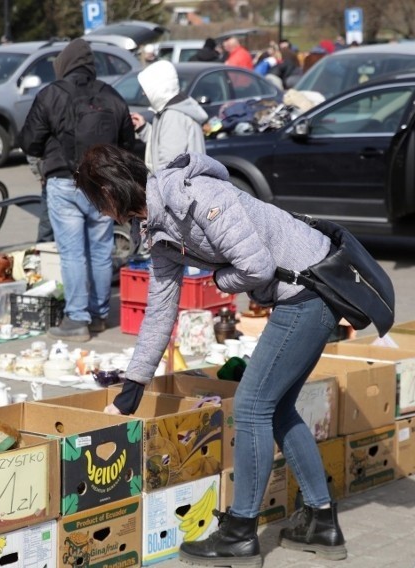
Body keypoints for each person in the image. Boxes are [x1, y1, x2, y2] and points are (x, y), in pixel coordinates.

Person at [76, 145, 348, 566]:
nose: (100, 213)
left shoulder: (195, 195)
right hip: (299, 295)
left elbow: (254, 267)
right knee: (276, 408)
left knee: (252, 406)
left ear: (111, 192)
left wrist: (219, 281)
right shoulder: (157, 227)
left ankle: (240, 534)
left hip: (310, 290)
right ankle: (323, 523)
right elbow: (161, 308)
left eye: (97, 202)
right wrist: (134, 383)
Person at [19, 39, 135, 341]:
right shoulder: (111, 95)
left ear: (65, 63)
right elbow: (128, 144)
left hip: (65, 182)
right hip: (103, 186)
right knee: (100, 251)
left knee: (72, 254)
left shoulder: (52, 94)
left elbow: (28, 141)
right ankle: (98, 316)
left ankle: (76, 319)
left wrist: (51, 144)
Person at [130, 60, 207, 174]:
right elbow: (163, 143)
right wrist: (144, 129)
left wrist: (155, 188)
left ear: (158, 88)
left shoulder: (173, 115)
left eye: (147, 89)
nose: (143, 94)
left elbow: (169, 164)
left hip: (177, 189)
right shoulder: (172, 111)